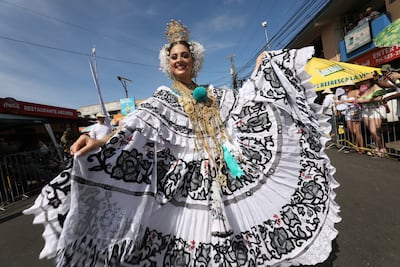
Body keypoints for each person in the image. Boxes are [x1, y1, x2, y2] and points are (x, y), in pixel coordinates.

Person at [24, 20, 340, 266]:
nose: (180, 60)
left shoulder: (214, 94)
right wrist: (99, 142)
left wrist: (261, 68)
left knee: (231, 234)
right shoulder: (162, 98)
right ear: (168, 63)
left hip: (225, 169)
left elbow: (244, 102)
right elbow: (133, 129)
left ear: (194, 60)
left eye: (185, 55)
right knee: (192, 236)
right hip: (186, 180)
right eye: (174, 57)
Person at [357, 74, 388, 157]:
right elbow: (359, 99)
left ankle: (382, 148)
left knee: (375, 131)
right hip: (368, 110)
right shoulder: (368, 90)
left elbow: (378, 98)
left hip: (376, 110)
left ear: (370, 81)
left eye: (366, 82)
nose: (364, 83)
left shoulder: (377, 87)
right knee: (372, 131)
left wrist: (365, 100)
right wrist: (367, 100)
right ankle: (378, 147)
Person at [335, 81, 364, 153]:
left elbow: (356, 100)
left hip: (355, 110)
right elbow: (340, 103)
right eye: (345, 86)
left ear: (351, 86)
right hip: (348, 111)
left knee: (356, 130)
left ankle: (362, 147)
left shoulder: (356, 91)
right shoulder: (343, 94)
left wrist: (344, 101)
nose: (346, 88)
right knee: (351, 130)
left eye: (347, 86)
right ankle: (354, 145)